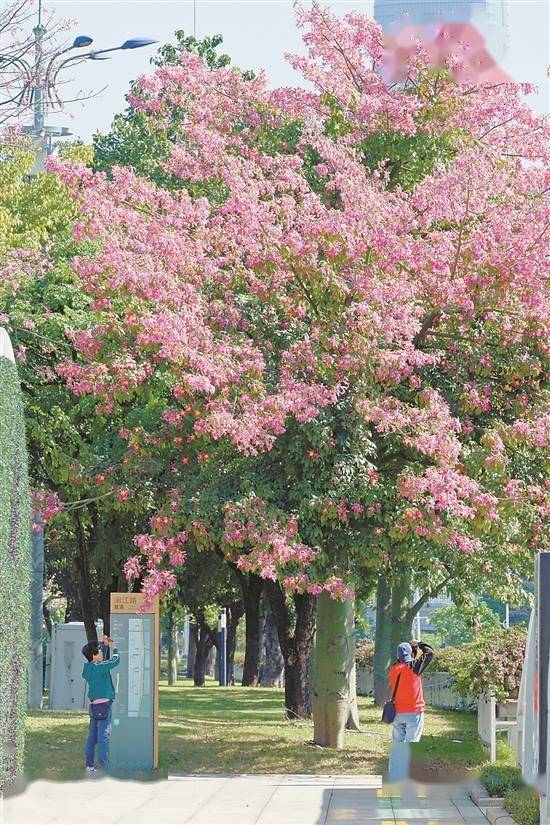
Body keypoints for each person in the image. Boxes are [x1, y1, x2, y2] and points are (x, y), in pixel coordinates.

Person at [387, 639, 435, 782]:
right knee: (412, 743)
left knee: (398, 744)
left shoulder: (394, 669)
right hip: (414, 712)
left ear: (397, 656)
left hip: (397, 713)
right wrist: (419, 644)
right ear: (411, 655)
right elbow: (430, 653)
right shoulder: (415, 666)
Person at [81, 634, 120, 774]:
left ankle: (89, 767)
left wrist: (104, 644)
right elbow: (115, 661)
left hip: (94, 707)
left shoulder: (90, 668)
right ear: (94, 655)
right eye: (100, 650)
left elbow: (100, 659)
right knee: (104, 736)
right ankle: (105, 767)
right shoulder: (99, 666)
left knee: (92, 738)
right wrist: (114, 649)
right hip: (104, 707)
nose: (102, 651)